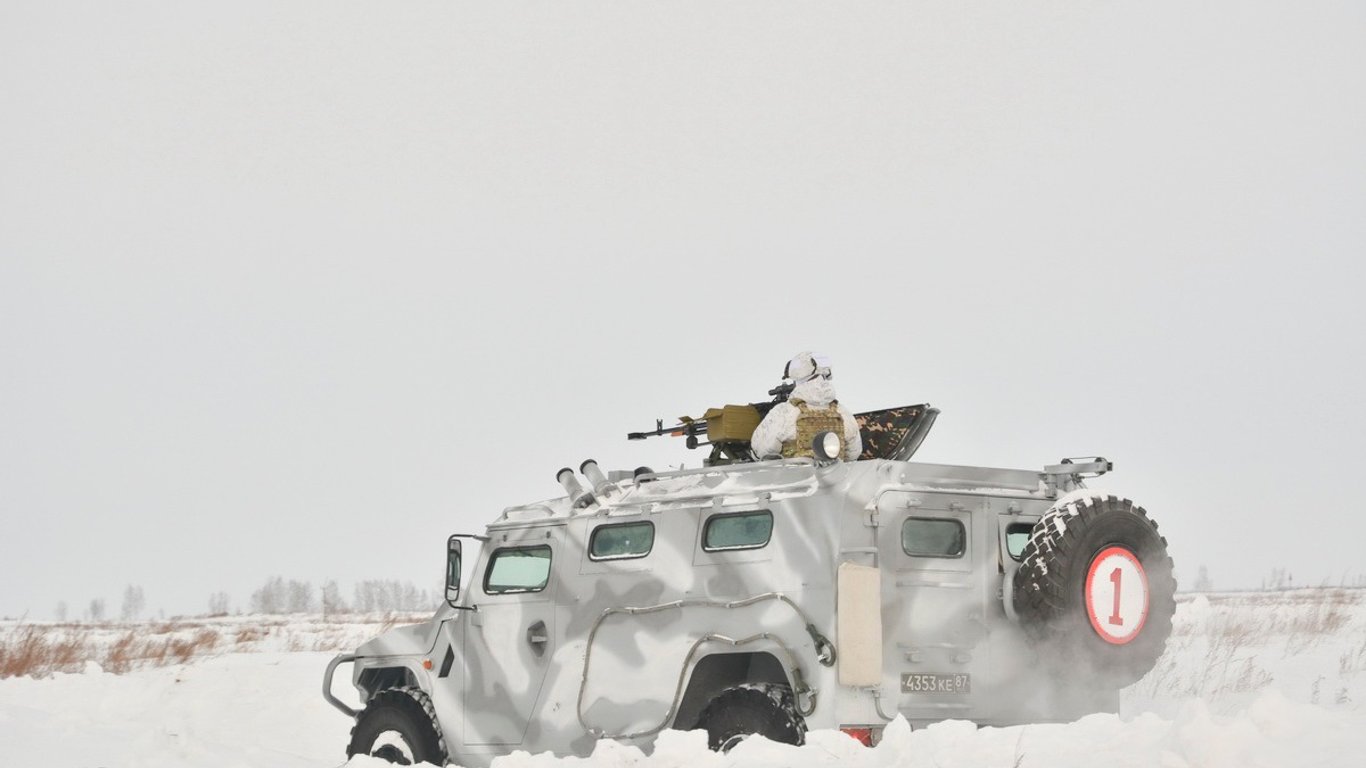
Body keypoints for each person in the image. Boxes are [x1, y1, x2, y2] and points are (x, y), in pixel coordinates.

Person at [751, 352, 862, 461]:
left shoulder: (783, 412)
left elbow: (760, 451)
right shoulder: (842, 412)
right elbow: (853, 454)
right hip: (830, 478)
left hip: (794, 478)